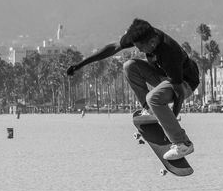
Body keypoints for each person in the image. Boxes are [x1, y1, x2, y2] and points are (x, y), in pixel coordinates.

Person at [66, 18, 200, 159]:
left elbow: (178, 94)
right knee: (129, 66)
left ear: (152, 43)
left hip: (185, 83)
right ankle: (149, 110)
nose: (139, 50)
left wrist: (171, 124)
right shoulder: (142, 35)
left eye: (141, 47)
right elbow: (113, 48)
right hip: (163, 77)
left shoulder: (170, 53)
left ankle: (183, 144)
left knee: (153, 98)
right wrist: (80, 65)